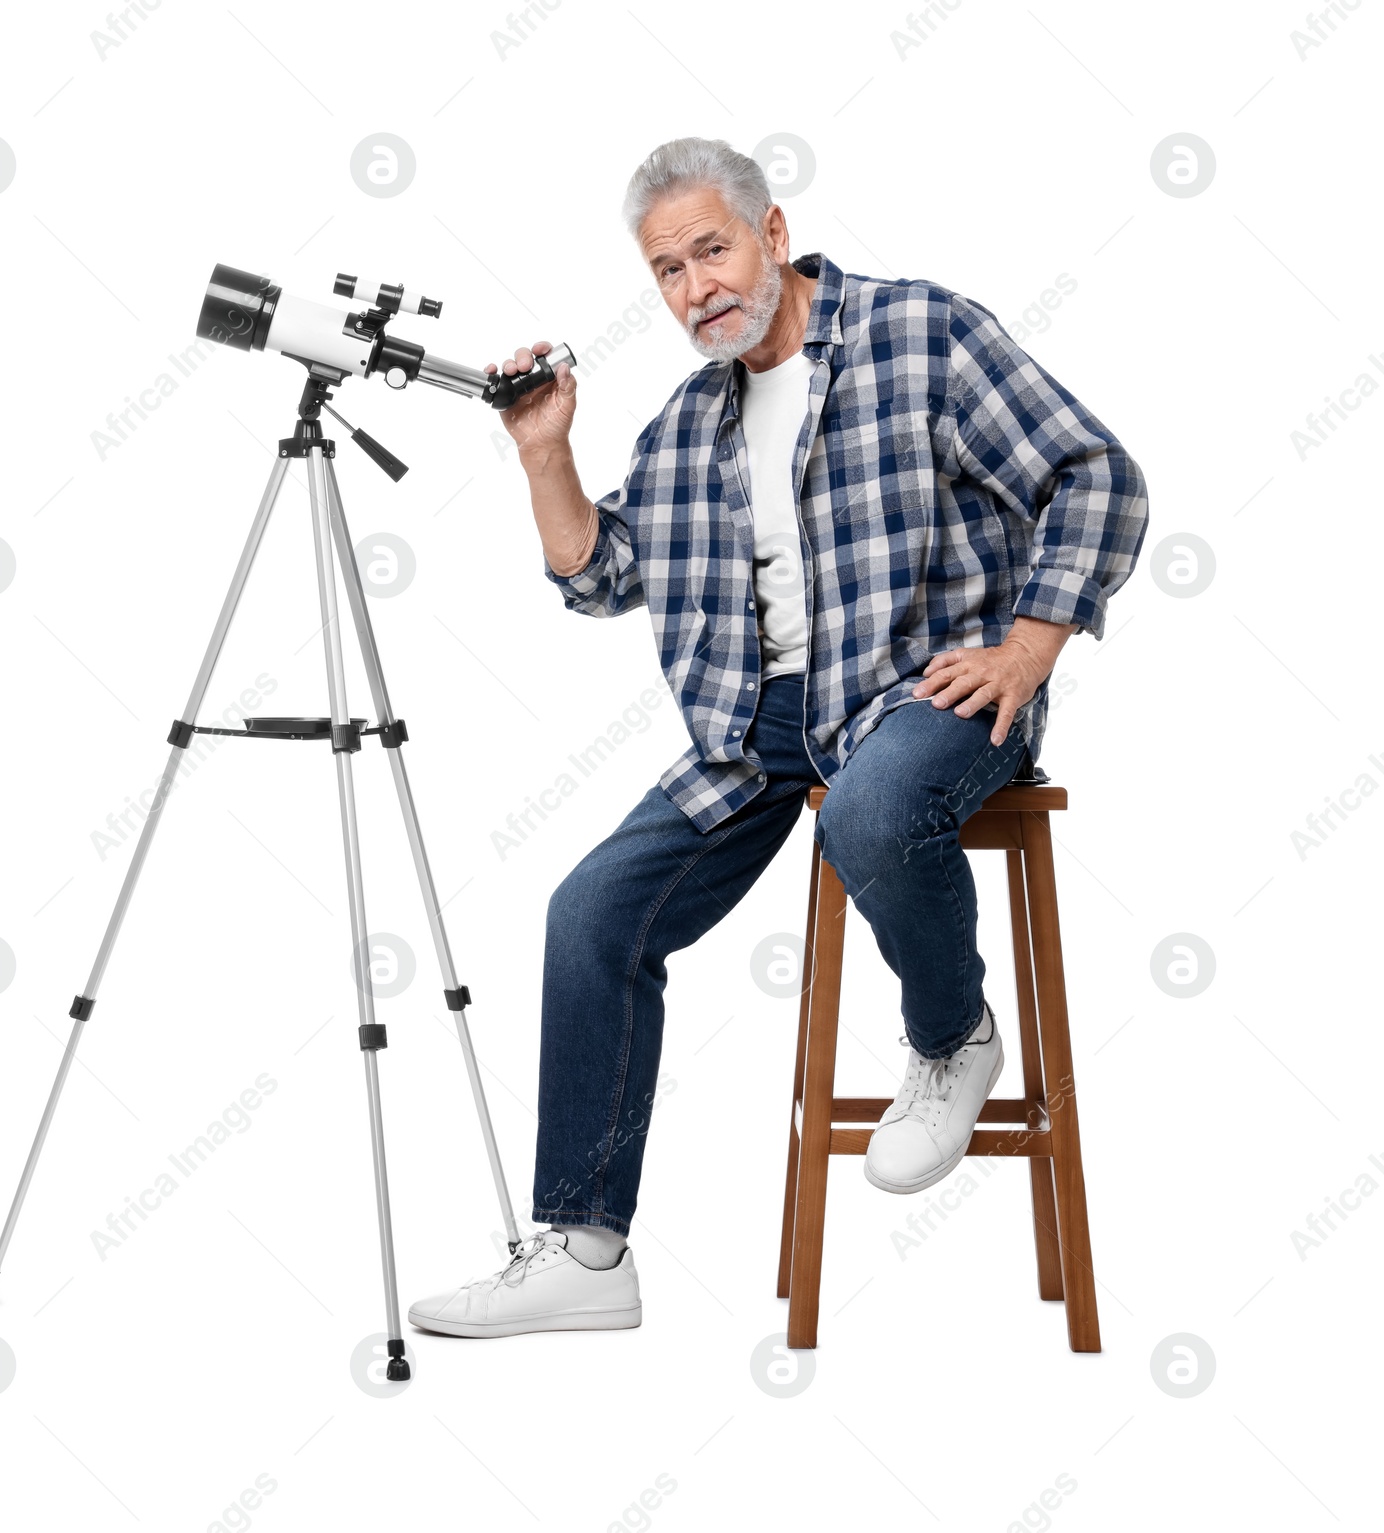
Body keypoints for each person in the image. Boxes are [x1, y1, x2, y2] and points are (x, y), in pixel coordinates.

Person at [408, 136, 1148, 1339]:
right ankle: (587, 1253)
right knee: (589, 915)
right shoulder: (691, 420)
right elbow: (599, 578)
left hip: (926, 700)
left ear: (773, 235)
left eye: (712, 249)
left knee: (865, 812)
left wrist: (1027, 648)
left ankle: (951, 1036)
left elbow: (1097, 474)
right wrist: (544, 453)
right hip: (753, 730)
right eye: (667, 270)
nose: (696, 286)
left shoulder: (922, 338)